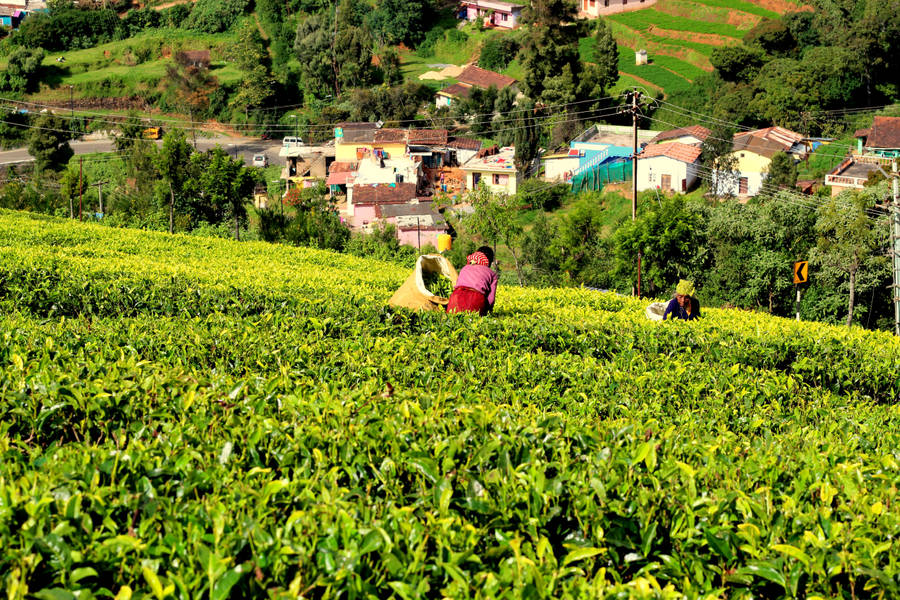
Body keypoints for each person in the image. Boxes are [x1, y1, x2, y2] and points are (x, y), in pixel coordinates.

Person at [446, 246, 498, 316]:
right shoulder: (492, 274)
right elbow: (491, 300)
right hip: (475, 300)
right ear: (490, 261)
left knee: (453, 320)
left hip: (455, 298)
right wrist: (488, 313)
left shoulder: (464, 268)